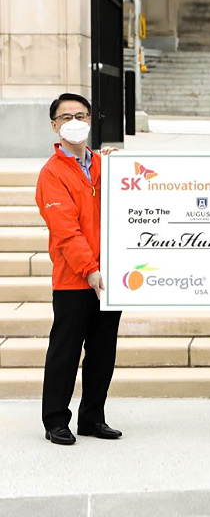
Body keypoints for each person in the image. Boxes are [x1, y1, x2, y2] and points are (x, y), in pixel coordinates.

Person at [36, 93, 122, 445]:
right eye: (66, 116)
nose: (75, 122)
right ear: (54, 125)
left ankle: (93, 417)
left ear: (90, 120)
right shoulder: (52, 173)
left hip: (111, 277)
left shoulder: (106, 165)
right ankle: (56, 420)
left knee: (102, 351)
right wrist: (89, 268)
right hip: (73, 278)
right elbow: (65, 230)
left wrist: (121, 167)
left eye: (81, 115)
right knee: (66, 351)